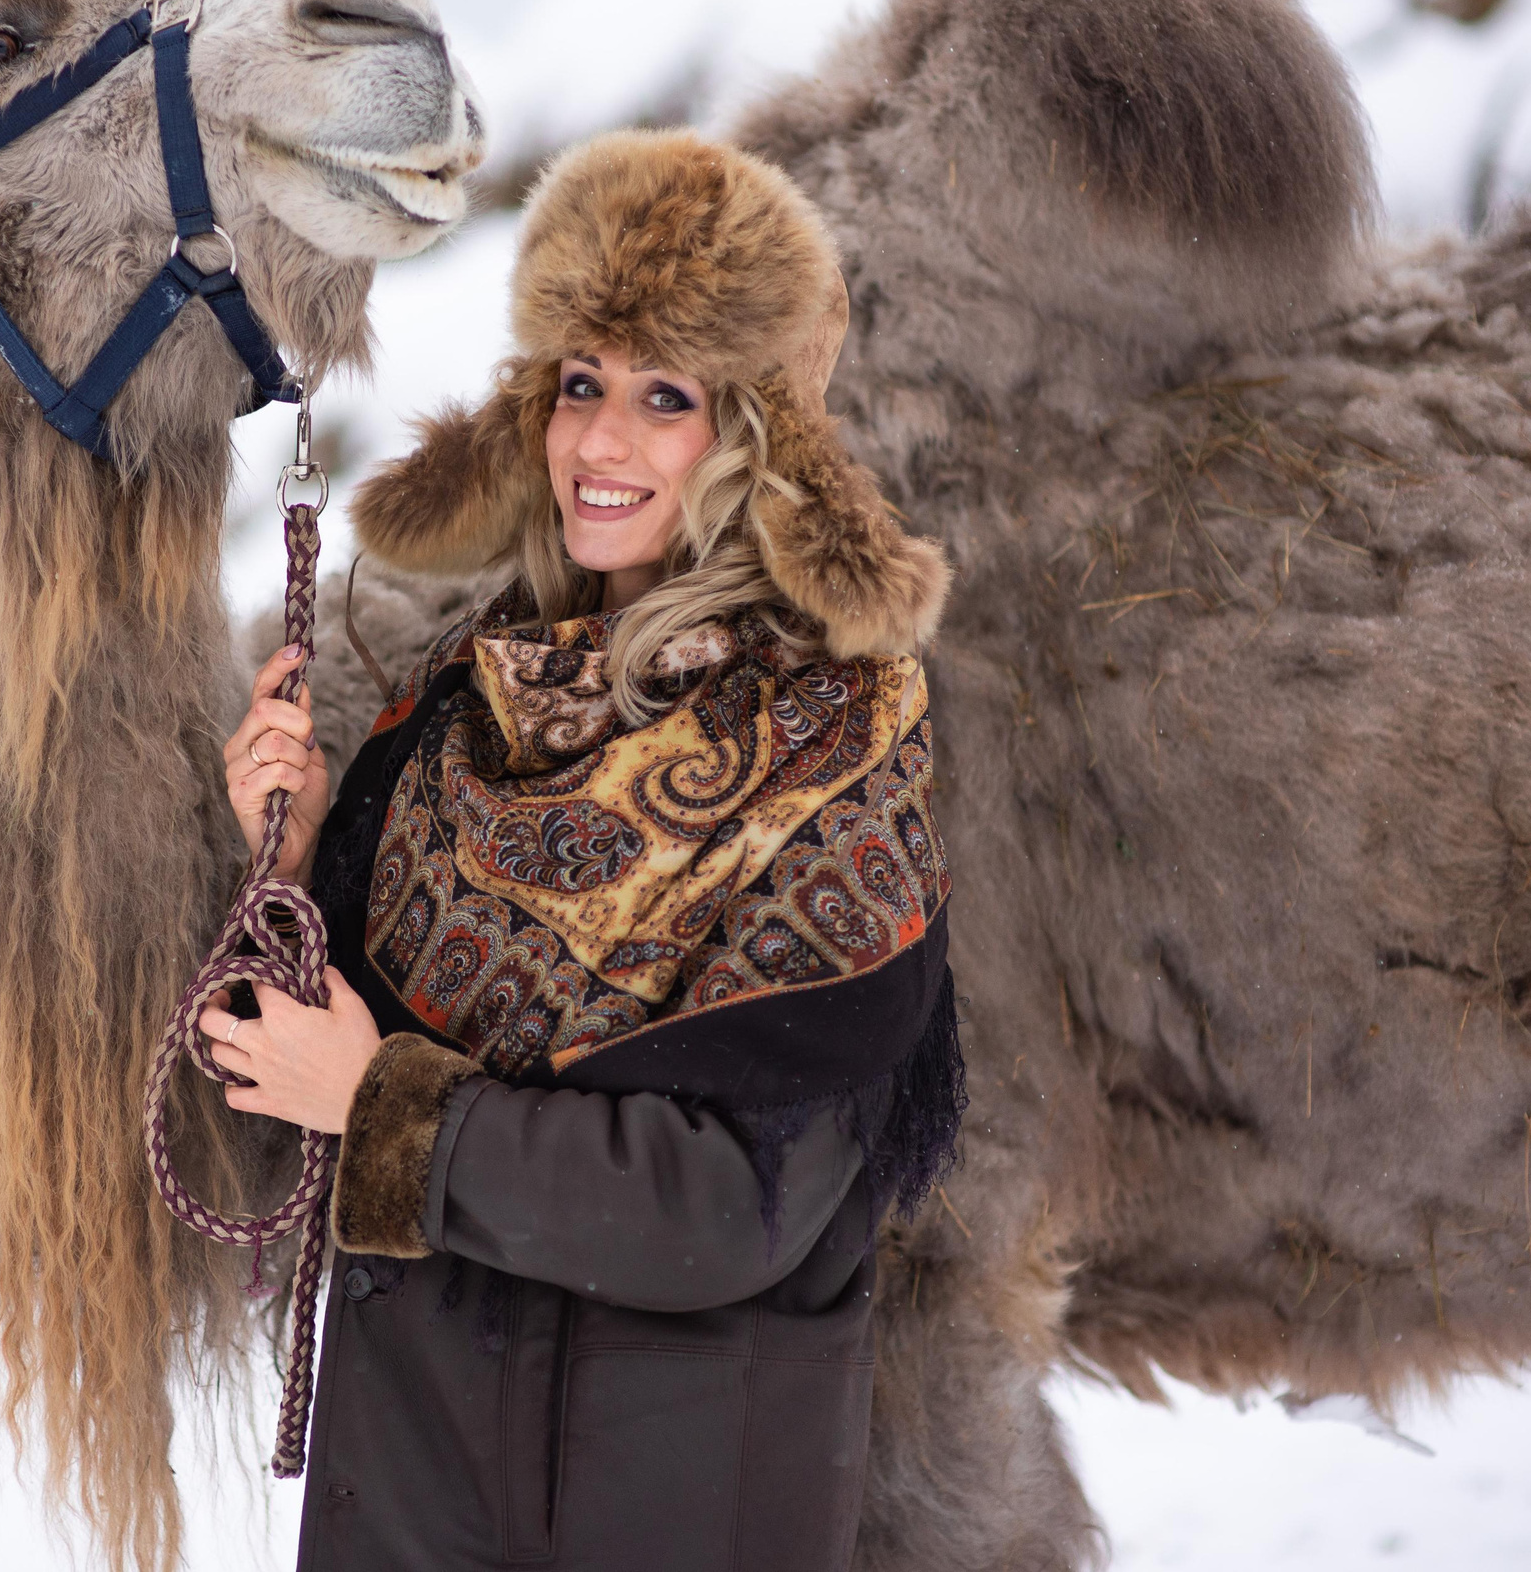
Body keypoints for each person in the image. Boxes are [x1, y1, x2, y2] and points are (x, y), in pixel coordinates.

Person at [200, 129, 963, 1572]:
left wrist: (386, 1108)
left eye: (664, 397)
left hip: (652, 1506)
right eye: (579, 386)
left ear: (755, 434)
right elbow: (309, 1049)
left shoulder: (835, 757)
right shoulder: (468, 701)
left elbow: (734, 1207)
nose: (598, 444)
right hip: (416, 1485)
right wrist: (293, 862)